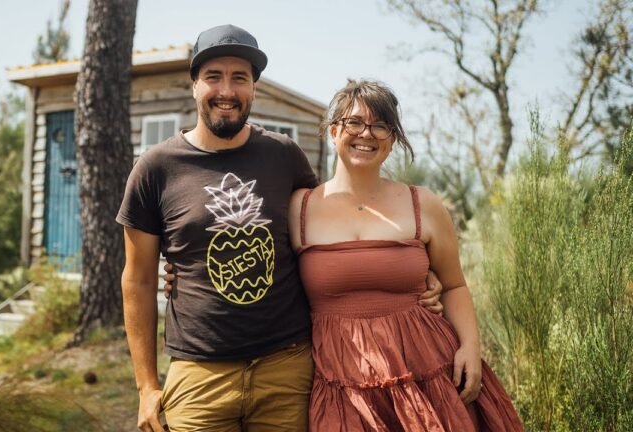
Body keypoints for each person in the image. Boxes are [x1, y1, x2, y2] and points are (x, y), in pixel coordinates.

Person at [118, 25, 442, 432]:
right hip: (200, 372)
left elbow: (330, 227)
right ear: (194, 85)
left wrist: (415, 272)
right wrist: (147, 387)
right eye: (214, 76)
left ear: (254, 89)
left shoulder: (284, 156)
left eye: (240, 78)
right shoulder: (155, 168)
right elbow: (139, 280)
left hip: (287, 367)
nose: (227, 90)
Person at [288, 79, 523, 431]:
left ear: (393, 139)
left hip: (429, 373)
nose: (366, 134)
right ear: (333, 131)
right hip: (341, 380)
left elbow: (454, 285)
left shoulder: (423, 205)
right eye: (354, 123)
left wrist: (470, 348)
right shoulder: (300, 208)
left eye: (380, 125)